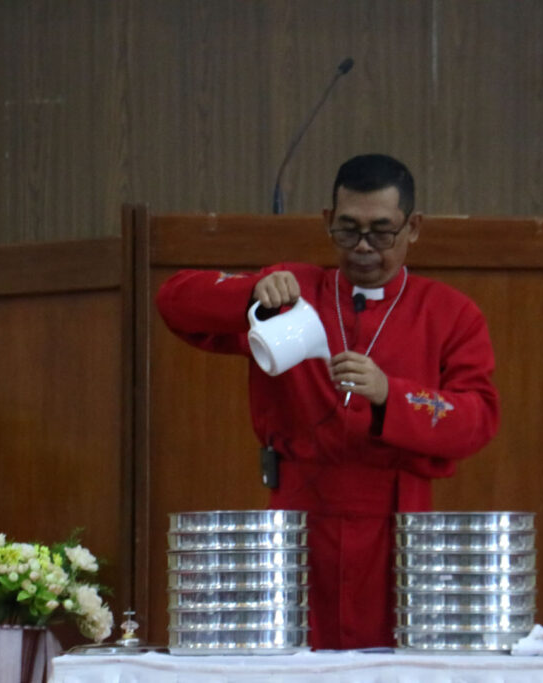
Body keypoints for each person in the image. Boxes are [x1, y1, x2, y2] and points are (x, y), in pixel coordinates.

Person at [155, 153, 500, 649]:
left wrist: (391, 395)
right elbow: (174, 301)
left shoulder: (451, 313)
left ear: (413, 227)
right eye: (348, 230)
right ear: (326, 221)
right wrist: (251, 293)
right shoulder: (291, 294)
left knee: (395, 663)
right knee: (292, 657)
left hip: (399, 524)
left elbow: (479, 417)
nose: (363, 247)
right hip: (298, 516)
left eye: (381, 232)